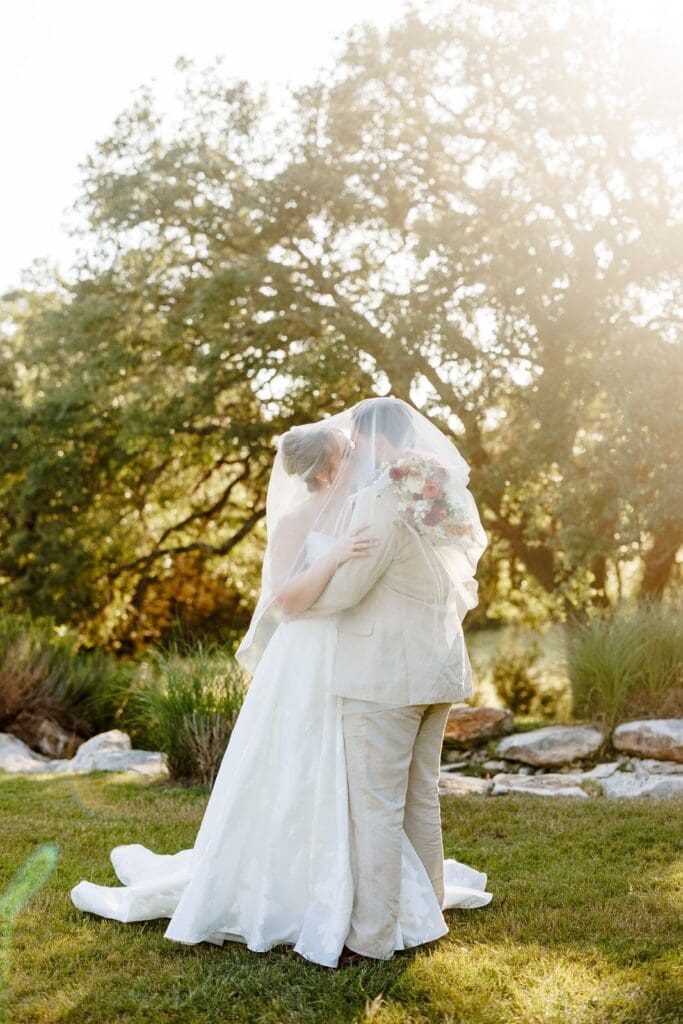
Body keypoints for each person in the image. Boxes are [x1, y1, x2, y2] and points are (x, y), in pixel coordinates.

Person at [70, 397, 492, 968]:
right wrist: (335, 556)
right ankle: (422, 910)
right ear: (324, 466)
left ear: (368, 444)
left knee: (379, 805)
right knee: (403, 797)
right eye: (342, 454)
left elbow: (346, 594)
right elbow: (290, 601)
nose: (350, 459)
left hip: (377, 672)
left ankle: (376, 934)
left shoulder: (382, 500)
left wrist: (339, 565)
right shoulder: (426, 493)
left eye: (354, 447)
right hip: (403, 666)